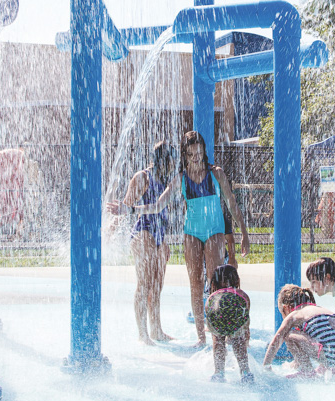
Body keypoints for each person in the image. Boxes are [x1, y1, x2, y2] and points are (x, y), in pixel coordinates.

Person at [107, 131, 250, 347]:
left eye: (198, 152)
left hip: (207, 232)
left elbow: (231, 204)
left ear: (203, 151)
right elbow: (157, 205)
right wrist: (129, 211)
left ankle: (216, 332)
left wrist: (244, 234)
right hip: (183, 233)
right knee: (189, 284)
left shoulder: (214, 174)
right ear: (183, 154)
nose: (195, 157)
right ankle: (196, 338)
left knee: (210, 282)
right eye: (190, 153)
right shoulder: (174, 178)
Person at [114, 141, 176, 345]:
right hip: (143, 233)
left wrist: (164, 241)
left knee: (157, 285)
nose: (172, 164)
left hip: (159, 236)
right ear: (162, 159)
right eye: (170, 159)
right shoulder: (143, 177)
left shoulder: (167, 179)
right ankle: (143, 334)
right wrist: (112, 227)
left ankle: (156, 330)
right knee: (145, 284)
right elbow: (126, 205)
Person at [263, 284, 335, 379]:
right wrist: (292, 364)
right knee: (320, 336)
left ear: (286, 308)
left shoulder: (295, 314)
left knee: (288, 335)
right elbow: (327, 337)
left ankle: (307, 371)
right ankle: (328, 368)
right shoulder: (318, 309)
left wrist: (266, 367)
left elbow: (276, 340)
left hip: (327, 354)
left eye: (282, 313)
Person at [205, 264, 253, 384]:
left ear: (214, 283)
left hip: (216, 310)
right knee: (239, 341)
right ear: (237, 280)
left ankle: (219, 372)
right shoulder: (241, 294)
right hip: (237, 311)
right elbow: (245, 318)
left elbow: (208, 310)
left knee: (218, 340)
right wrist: (246, 338)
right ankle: (245, 372)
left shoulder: (213, 296)